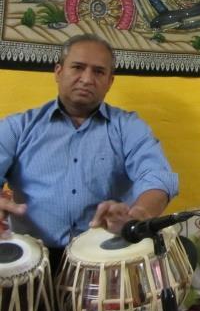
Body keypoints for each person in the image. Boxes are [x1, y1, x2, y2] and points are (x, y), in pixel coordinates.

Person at [0, 34, 178, 272]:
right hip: (34, 262)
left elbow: (157, 176)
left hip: (107, 259)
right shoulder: (18, 127)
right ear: (58, 72)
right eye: (78, 67)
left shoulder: (129, 127)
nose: (86, 79)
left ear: (110, 81)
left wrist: (137, 216)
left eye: (98, 72)